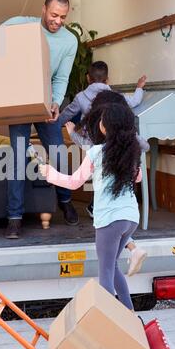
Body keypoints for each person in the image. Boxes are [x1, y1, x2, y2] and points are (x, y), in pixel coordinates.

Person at [0, 0, 79, 239]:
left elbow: (62, 77)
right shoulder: (19, 24)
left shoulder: (69, 41)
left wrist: (55, 103)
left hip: (45, 104)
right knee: (18, 157)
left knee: (57, 151)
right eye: (54, 15)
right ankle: (15, 217)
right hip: (20, 102)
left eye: (63, 17)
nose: (58, 21)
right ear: (44, 9)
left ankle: (65, 199)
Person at [40, 93, 142, 310]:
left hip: (109, 220)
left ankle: (108, 321)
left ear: (105, 127)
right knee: (112, 267)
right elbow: (138, 177)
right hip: (131, 218)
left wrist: (49, 173)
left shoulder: (96, 152)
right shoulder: (131, 151)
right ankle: (129, 313)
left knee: (105, 272)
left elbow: (74, 182)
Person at [60, 67, 149, 276]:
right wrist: (139, 88)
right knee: (118, 217)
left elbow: (73, 123)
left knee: (107, 215)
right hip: (127, 203)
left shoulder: (84, 101)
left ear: (88, 78)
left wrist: (65, 126)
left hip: (104, 190)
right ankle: (134, 249)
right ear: (107, 79)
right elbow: (135, 104)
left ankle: (132, 249)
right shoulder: (118, 101)